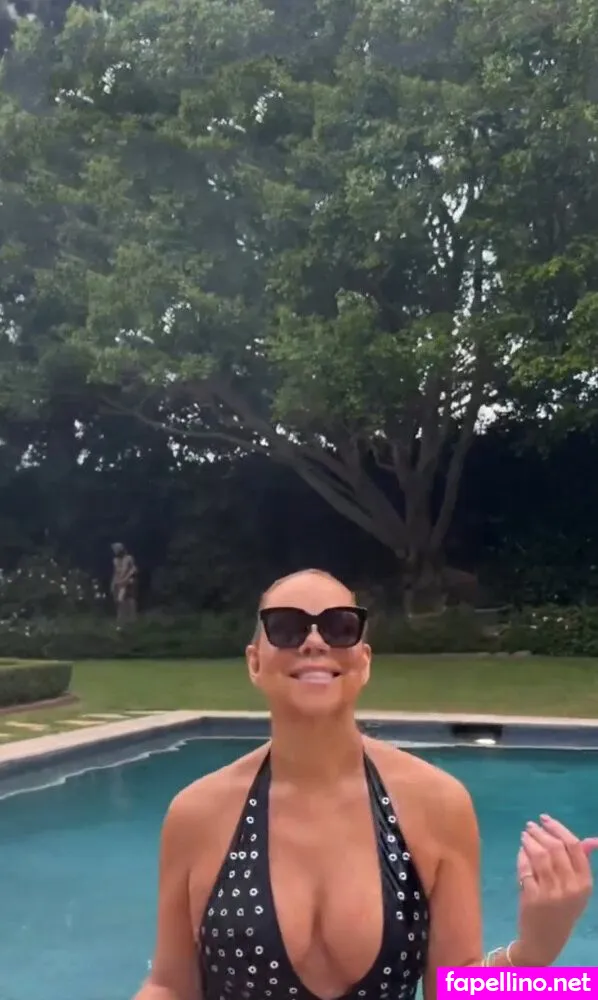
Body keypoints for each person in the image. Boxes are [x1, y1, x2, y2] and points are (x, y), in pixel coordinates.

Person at [135, 569, 597, 1000]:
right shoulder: (198, 813)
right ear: (255, 662)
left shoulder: (436, 803)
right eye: (286, 628)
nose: (314, 642)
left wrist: (536, 951)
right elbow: (169, 986)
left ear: (364, 660)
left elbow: (453, 988)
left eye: (339, 627)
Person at [111, 542, 138, 625]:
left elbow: (133, 569)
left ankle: (132, 619)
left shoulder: (129, 558)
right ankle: (121, 620)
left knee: (130, 600)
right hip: (119, 582)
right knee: (120, 601)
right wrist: (113, 583)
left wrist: (127, 578)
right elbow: (116, 572)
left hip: (128, 581)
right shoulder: (115, 560)